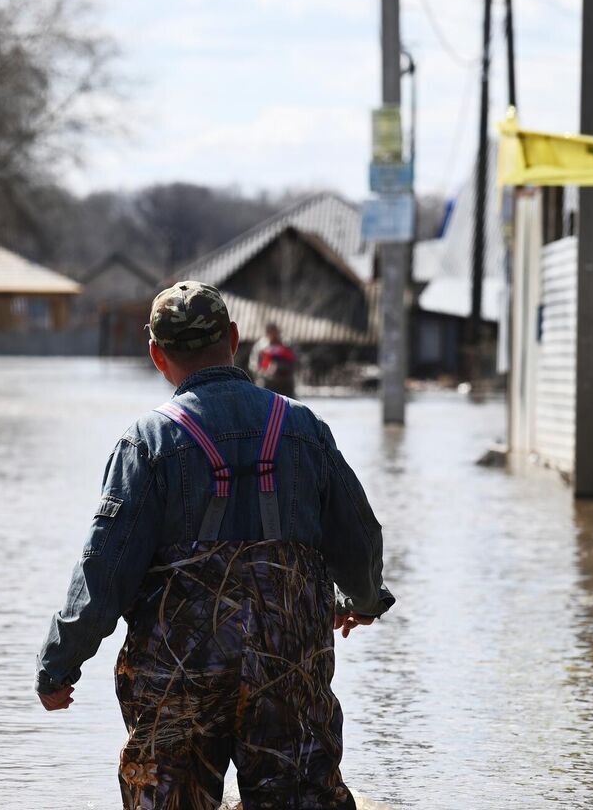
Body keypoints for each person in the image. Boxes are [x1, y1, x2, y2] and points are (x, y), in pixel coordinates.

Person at [36, 281, 393, 810]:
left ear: (157, 355)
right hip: (287, 670)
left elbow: (104, 571)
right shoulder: (303, 429)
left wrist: (59, 664)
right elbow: (358, 535)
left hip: (179, 678)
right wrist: (364, 601)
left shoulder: (148, 443)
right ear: (234, 337)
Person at [249, 321, 299, 397]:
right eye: (270, 331)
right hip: (266, 384)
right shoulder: (261, 347)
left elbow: (296, 361)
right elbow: (254, 365)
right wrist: (264, 371)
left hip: (286, 385)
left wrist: (282, 368)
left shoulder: (287, 345)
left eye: (275, 331)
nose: (273, 334)